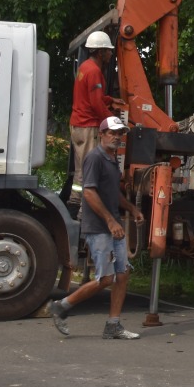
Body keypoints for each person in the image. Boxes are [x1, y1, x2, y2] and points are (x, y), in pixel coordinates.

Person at [49, 116, 145, 339]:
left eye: (120, 133)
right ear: (101, 134)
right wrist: (110, 222)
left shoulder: (111, 160)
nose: (117, 137)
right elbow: (89, 192)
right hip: (99, 227)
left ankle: (113, 325)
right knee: (106, 278)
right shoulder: (95, 158)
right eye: (112, 133)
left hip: (113, 225)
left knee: (122, 274)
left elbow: (113, 194)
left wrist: (132, 208)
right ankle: (61, 306)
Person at [69, 31, 121, 202]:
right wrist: (113, 123)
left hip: (78, 125)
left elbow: (91, 96)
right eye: (108, 50)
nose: (110, 53)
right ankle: (83, 210)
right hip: (87, 125)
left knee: (81, 169)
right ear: (100, 52)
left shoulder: (84, 67)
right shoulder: (94, 72)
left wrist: (110, 99)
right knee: (89, 170)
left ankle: (76, 203)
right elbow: (96, 104)